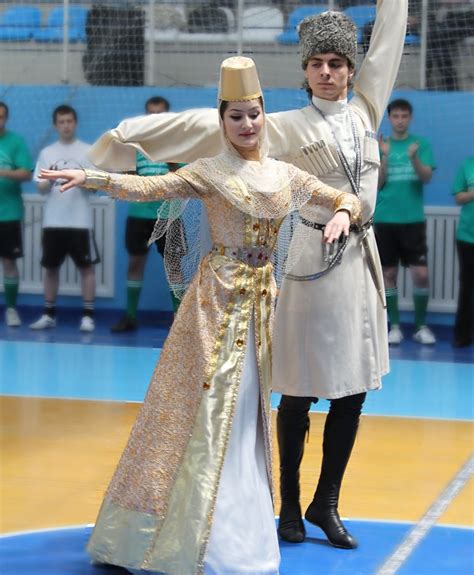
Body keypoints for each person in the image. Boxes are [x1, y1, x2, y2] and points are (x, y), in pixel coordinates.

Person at [80, 0, 408, 549]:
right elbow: (204, 127)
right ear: (304, 72)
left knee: (352, 395)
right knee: (299, 393)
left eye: (337, 63)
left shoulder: (366, 112)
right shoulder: (280, 126)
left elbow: (390, 40)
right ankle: (287, 510)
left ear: (352, 70)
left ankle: (326, 502)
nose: (327, 72)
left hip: (358, 268)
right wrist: (128, 134)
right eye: (316, 63)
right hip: (306, 268)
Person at [40, 56, 360, 575]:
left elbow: (345, 196)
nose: (247, 125)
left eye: (253, 114)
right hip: (215, 304)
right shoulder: (211, 170)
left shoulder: (285, 173)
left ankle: (238, 526)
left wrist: (343, 213)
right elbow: (149, 188)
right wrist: (93, 175)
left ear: (264, 113)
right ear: (222, 120)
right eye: (235, 116)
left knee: (248, 413)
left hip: (260, 309)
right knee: (209, 413)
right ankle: (194, 535)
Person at [111, 96, 185, 333]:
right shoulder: (135, 147)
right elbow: (127, 179)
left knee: (173, 265)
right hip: (139, 214)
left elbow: (182, 180)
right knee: (135, 262)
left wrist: (172, 165)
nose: (154, 117)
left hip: (169, 215)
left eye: (159, 113)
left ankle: (179, 321)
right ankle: (130, 316)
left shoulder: (176, 145)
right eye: (151, 113)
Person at [30, 105, 99, 333]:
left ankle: (88, 316)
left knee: (86, 267)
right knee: (50, 268)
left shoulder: (88, 152)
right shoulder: (47, 153)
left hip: (80, 222)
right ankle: (48, 314)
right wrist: (49, 179)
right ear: (55, 125)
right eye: (62, 122)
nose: (66, 125)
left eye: (69, 121)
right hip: (54, 222)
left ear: (75, 123)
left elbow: (94, 188)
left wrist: (83, 181)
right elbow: (40, 188)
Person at [375, 99, 436, 346]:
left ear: (410, 118)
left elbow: (426, 178)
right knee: (388, 273)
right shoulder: (381, 146)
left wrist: (413, 159)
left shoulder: (421, 145)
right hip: (385, 220)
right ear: (390, 119)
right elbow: (377, 185)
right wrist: (386, 157)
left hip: (413, 220)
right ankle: (395, 326)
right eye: (396, 116)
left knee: (421, 275)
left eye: (404, 116)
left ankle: (421, 326)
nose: (400, 120)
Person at [0, 101, 33, 327]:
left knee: (9, 261)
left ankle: (11, 308)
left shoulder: (16, 142)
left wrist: (2, 171)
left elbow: (25, 173)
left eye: (1, 116)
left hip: (9, 214)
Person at [452, 156, 474, 348]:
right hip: (468, 237)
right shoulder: (467, 165)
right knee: (467, 287)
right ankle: (462, 335)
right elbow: (459, 196)